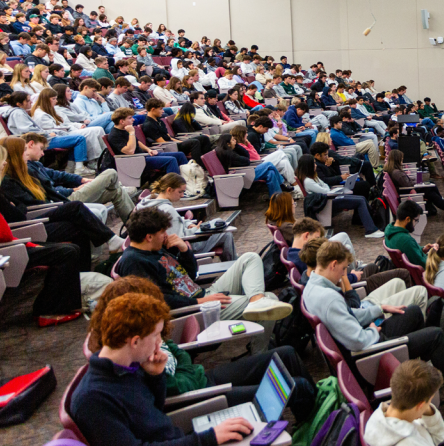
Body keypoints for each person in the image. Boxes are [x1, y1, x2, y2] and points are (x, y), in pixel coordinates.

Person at [302, 240, 444, 424]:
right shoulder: (330, 299)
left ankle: (425, 375)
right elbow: (359, 341)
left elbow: (349, 314)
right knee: (436, 336)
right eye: (344, 269)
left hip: (365, 345)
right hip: (371, 354)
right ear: (333, 264)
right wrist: (372, 330)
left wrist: (379, 309)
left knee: (412, 312)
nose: (344, 274)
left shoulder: (313, 287)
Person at [87, 276, 318, 421]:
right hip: (201, 395)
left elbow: (180, 355)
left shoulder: (144, 335)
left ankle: (319, 416)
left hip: (201, 379)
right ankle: (317, 428)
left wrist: (187, 369)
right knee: (299, 388)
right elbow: (175, 388)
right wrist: (188, 371)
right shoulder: (133, 354)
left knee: (285, 353)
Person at [70, 292, 254, 446]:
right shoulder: (93, 399)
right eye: (157, 335)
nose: (160, 342)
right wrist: (208, 438)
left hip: (177, 437)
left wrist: (156, 376)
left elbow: (152, 414)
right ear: (135, 341)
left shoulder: (126, 366)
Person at [115, 208, 292, 350]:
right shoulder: (134, 263)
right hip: (196, 309)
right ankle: (259, 354)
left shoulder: (154, 249)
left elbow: (190, 275)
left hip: (202, 294)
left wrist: (184, 250)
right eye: (162, 232)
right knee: (271, 299)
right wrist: (202, 301)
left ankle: (256, 300)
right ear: (149, 237)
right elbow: (158, 301)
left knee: (250, 258)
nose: (166, 236)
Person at [0, 171, 84, 326]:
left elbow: (3, 234)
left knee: (72, 248)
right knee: (66, 253)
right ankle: (47, 310)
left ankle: (60, 305)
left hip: (8, 249)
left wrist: (30, 244)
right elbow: (4, 235)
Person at [0, 136, 123, 259]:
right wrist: (68, 193)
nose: (27, 154)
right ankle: (110, 241)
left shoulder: (24, 171)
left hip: (46, 207)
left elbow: (49, 186)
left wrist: (77, 183)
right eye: (24, 151)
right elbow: (28, 207)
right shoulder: (8, 181)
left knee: (99, 203)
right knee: (76, 207)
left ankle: (105, 247)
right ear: (15, 155)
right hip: (35, 218)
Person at [19, 132, 134, 221]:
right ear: (31, 145)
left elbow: (59, 175)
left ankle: (136, 229)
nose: (43, 153)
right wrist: (73, 189)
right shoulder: (26, 169)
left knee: (116, 192)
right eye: (41, 149)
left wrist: (82, 179)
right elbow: (49, 192)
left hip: (66, 196)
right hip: (65, 200)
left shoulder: (35, 164)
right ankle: (117, 186)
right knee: (110, 173)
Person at [135, 173, 236, 261]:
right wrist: (197, 230)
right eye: (180, 192)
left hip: (183, 237)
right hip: (189, 245)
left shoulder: (148, 202)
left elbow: (178, 221)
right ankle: (233, 265)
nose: (182, 195)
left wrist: (189, 224)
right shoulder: (167, 210)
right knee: (225, 233)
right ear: (169, 190)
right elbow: (179, 238)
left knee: (218, 222)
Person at [296, 155, 384, 237]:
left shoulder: (313, 177)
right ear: (308, 166)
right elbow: (325, 189)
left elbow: (325, 186)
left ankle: (372, 223)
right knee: (360, 201)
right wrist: (329, 190)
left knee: (362, 198)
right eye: (313, 164)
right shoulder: (308, 181)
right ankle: (371, 230)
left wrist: (329, 189)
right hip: (326, 203)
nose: (315, 165)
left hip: (328, 199)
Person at [141, 98, 212, 167]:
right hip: (168, 146)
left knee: (204, 138)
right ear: (153, 109)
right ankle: (199, 167)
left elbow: (169, 137)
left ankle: (208, 163)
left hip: (173, 143)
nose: (163, 111)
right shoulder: (149, 125)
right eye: (160, 109)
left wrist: (181, 142)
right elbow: (162, 142)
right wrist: (180, 143)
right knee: (194, 142)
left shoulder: (159, 121)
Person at [385, 149, 444, 217]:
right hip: (408, 192)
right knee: (431, 192)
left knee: (430, 184)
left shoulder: (394, 171)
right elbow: (408, 184)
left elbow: (407, 182)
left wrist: (415, 181)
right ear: (397, 160)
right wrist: (417, 181)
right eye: (401, 158)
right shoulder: (397, 173)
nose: (402, 160)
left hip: (408, 190)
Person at [384, 200, 437, 267]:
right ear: (408, 219)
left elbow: (410, 251)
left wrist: (423, 249)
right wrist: (435, 255)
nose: (416, 224)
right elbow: (422, 263)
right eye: (416, 220)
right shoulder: (405, 240)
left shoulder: (389, 230)